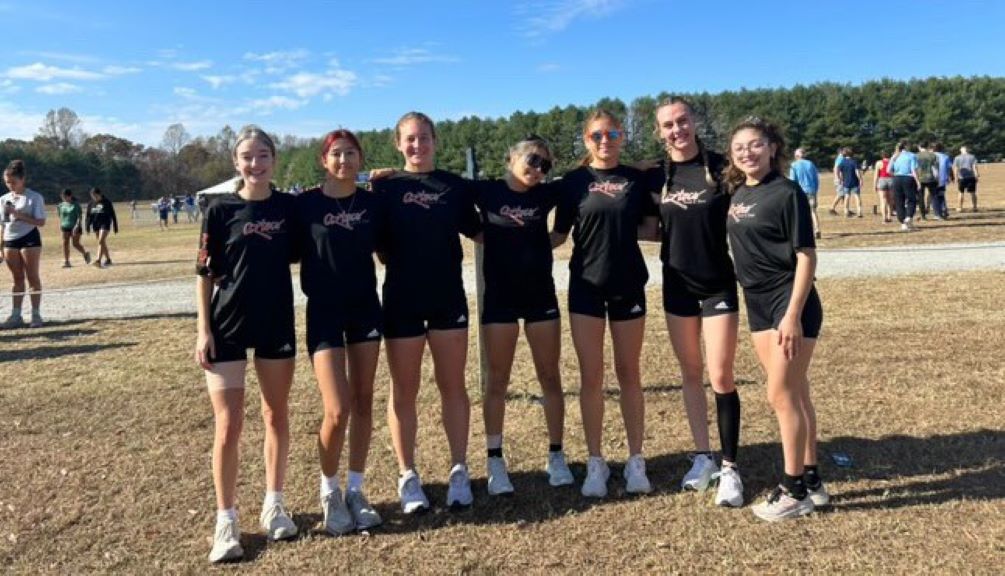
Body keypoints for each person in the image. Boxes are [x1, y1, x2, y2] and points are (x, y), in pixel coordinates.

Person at [195, 126, 299, 563]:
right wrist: (203, 330)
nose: (254, 163)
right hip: (227, 325)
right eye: (246, 157)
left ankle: (274, 503)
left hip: (276, 321)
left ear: (273, 160)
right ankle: (226, 521)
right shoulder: (219, 210)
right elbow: (203, 274)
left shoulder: (290, 207)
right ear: (235, 163)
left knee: (275, 414)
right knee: (229, 425)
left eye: (262, 156)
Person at [372, 112, 481, 513]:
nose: (418, 146)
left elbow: (479, 228)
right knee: (404, 390)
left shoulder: (453, 187)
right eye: (410, 140)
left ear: (435, 141)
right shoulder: (384, 188)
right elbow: (380, 248)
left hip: (447, 298)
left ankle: (458, 470)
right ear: (399, 145)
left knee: (452, 386)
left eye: (424, 138)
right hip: (402, 299)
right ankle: (408, 475)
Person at [551, 109, 659, 499]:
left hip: (628, 284)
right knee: (591, 375)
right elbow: (558, 235)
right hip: (586, 288)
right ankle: (595, 461)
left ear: (622, 137)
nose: (605, 140)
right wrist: (513, 241)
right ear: (586, 140)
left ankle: (635, 460)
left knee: (629, 372)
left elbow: (652, 228)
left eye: (612, 133)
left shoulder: (635, 178)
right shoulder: (573, 183)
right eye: (597, 135)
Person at [724, 116, 828, 521]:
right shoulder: (736, 194)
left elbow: (806, 255)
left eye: (755, 145)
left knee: (779, 395)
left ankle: (792, 489)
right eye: (739, 148)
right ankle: (813, 478)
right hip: (757, 303)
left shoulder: (787, 192)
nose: (747, 153)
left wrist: (793, 315)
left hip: (789, 302)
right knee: (795, 391)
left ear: (771, 148)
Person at [641, 98, 743, 507]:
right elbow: (649, 227)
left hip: (717, 284)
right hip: (676, 284)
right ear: (658, 132)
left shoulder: (722, 168)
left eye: (682, 121)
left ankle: (731, 468)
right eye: (667, 125)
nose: (676, 130)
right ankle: (703, 458)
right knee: (690, 371)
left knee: (720, 375)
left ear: (694, 122)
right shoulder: (655, 175)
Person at [295, 129, 384, 535]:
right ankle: (329, 490)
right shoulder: (305, 205)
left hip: (365, 307)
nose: (344, 160)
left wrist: (394, 175)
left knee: (364, 402)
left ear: (361, 159)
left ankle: (356, 489)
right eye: (336, 154)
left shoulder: (371, 203)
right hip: (325, 312)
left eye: (351, 153)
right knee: (337, 408)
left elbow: (386, 248)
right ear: (324, 160)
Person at [473, 135, 574, 496]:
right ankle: (495, 459)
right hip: (499, 298)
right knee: (497, 379)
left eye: (545, 165)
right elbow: (445, 192)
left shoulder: (547, 194)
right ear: (510, 157)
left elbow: (577, 189)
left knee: (550, 375)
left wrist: (538, 243)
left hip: (540, 296)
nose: (538, 170)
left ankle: (556, 454)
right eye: (532, 160)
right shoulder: (485, 191)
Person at [1, 160, 46, 329]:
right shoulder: (3, 199)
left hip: (29, 238)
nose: (10, 185)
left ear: (22, 179)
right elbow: (2, 224)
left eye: (13, 182)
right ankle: (15, 315)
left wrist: (19, 215)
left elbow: (40, 222)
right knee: (17, 279)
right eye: (7, 182)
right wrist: (0, 246)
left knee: (32, 277)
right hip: (9, 240)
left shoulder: (34, 197)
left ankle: (35, 314)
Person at [789, 148, 822, 237]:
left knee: (800, 212)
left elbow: (793, 180)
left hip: (800, 191)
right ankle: (817, 229)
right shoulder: (811, 164)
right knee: (813, 211)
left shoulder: (794, 165)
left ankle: (803, 231)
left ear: (796, 156)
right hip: (811, 190)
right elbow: (816, 178)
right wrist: (815, 190)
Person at [889, 140, 920, 231]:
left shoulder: (894, 156)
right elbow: (913, 170)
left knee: (899, 201)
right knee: (911, 199)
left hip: (897, 178)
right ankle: (908, 217)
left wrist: (895, 174)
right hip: (908, 178)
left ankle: (903, 222)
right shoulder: (911, 155)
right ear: (906, 146)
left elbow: (888, 170)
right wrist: (918, 181)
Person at [85, 187, 118, 267]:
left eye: (95, 196)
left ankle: (98, 260)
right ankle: (108, 259)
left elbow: (113, 214)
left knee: (100, 241)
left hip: (105, 224)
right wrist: (87, 226)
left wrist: (115, 226)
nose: (94, 197)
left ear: (100, 194)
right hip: (96, 225)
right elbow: (88, 216)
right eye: (92, 196)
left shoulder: (107, 202)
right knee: (102, 242)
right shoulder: (91, 203)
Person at [57, 189, 91, 267]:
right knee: (65, 243)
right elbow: (60, 216)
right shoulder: (60, 206)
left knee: (75, 244)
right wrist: (61, 224)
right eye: (63, 197)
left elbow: (79, 217)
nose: (64, 198)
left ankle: (85, 254)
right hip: (65, 226)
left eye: (65, 197)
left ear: (70, 196)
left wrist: (76, 226)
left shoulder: (76, 205)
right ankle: (67, 261)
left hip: (75, 227)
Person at [833, 148, 864, 217]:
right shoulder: (854, 162)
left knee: (847, 196)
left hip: (846, 182)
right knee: (857, 196)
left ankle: (846, 211)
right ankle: (859, 212)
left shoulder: (842, 162)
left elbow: (837, 170)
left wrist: (839, 178)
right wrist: (861, 179)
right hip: (854, 182)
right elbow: (857, 172)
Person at [915, 143, 938, 220]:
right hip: (931, 177)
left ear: (919, 147)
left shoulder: (916, 156)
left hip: (920, 178)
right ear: (927, 147)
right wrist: (937, 177)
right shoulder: (933, 155)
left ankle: (923, 215)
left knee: (921, 197)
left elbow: (914, 168)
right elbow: (935, 168)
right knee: (934, 196)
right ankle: (937, 213)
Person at [953, 145, 980, 212]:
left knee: (960, 192)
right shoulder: (972, 157)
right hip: (971, 177)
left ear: (961, 150)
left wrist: (955, 177)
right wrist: (976, 175)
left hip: (961, 177)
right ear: (967, 150)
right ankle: (974, 207)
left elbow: (956, 168)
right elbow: (974, 167)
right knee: (973, 192)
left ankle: (960, 208)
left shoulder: (957, 158)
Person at [932, 142, 953, 220]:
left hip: (933, 179)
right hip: (942, 179)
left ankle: (937, 213)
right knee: (941, 195)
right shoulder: (945, 156)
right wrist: (951, 177)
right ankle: (944, 210)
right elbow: (949, 168)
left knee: (934, 196)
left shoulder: (931, 156)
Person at [872, 151, 894, 223]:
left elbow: (876, 175)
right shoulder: (892, 162)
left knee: (883, 200)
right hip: (891, 180)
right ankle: (889, 216)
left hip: (882, 180)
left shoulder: (879, 163)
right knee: (890, 200)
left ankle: (884, 218)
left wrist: (874, 185)